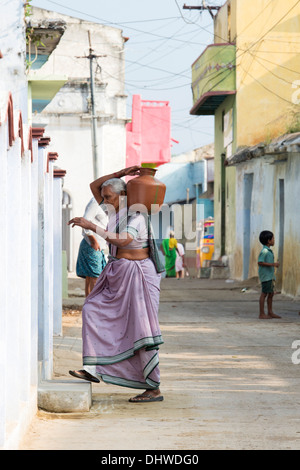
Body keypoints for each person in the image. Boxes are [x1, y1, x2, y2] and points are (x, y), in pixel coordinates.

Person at [68, 166, 165, 403]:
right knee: (91, 309)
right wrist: (122, 172)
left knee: (141, 330)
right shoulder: (113, 210)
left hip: (139, 275)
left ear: (122, 196)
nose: (104, 200)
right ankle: (92, 369)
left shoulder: (137, 215)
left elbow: (124, 239)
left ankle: (153, 388)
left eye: (108, 196)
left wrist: (91, 226)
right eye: (105, 198)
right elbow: (95, 186)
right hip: (117, 274)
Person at [76, 197, 108, 296]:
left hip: (99, 245)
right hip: (92, 244)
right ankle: (94, 307)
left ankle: (90, 307)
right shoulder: (95, 201)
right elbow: (85, 221)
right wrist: (93, 241)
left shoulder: (107, 203)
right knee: (95, 277)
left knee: (91, 277)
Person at [258, 230, 281, 319]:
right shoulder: (265, 251)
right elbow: (260, 262)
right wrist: (273, 264)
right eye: (273, 238)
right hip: (266, 276)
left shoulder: (268, 251)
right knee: (264, 294)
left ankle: (270, 312)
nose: (274, 240)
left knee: (271, 294)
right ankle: (262, 313)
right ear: (268, 240)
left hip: (270, 275)